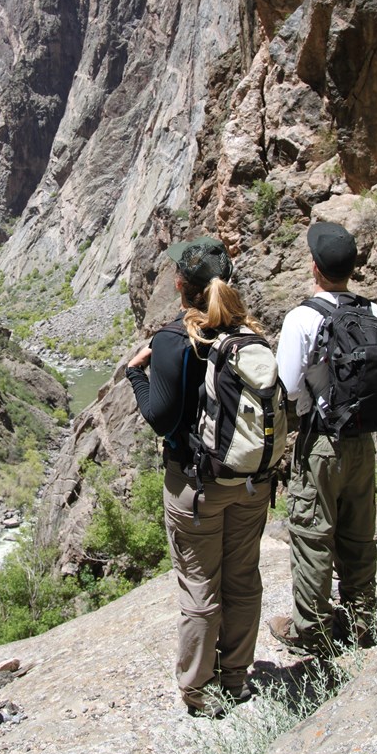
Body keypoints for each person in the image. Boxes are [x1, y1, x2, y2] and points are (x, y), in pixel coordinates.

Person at [125, 235, 271, 718]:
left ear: (180, 285)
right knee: (243, 579)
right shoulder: (250, 333)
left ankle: (199, 690)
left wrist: (136, 375)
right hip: (250, 485)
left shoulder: (173, 340)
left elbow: (163, 418)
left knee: (200, 586)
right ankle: (236, 678)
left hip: (196, 486)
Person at [268, 221, 377, 654]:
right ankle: (362, 622)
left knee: (312, 535)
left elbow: (288, 385)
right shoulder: (375, 313)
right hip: (364, 441)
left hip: (320, 442)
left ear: (315, 268)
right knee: (359, 533)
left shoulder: (302, 317)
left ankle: (312, 633)